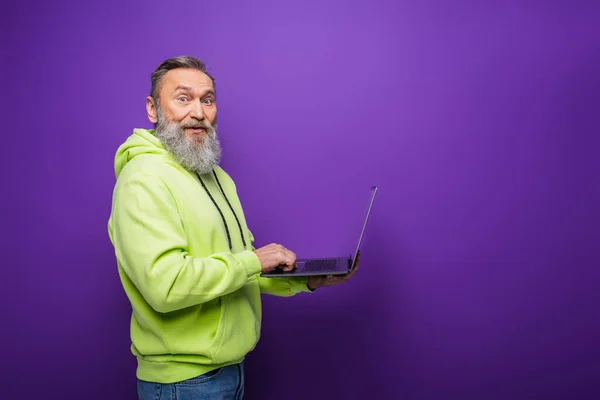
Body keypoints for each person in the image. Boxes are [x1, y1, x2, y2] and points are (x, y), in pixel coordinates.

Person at [107, 56, 360, 400]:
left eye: (207, 100)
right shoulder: (143, 179)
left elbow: (236, 273)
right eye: (183, 98)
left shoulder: (217, 178)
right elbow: (165, 286)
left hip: (230, 372)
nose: (198, 112)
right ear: (153, 109)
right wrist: (254, 260)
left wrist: (308, 280)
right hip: (182, 384)